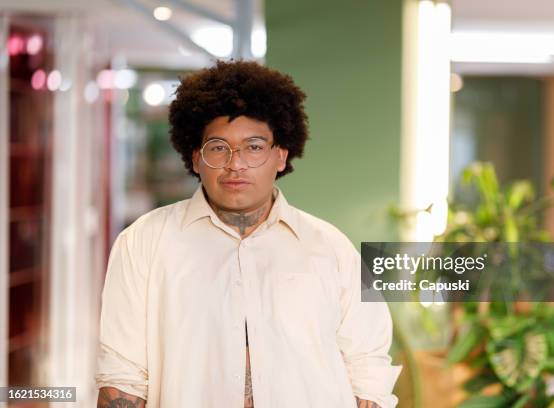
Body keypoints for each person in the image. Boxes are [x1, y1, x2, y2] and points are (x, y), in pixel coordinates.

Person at [95, 60, 401, 408]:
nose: (235, 163)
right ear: (196, 158)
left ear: (281, 156)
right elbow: (121, 376)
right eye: (217, 148)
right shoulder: (144, 243)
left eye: (254, 147)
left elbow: (368, 367)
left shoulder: (331, 248)